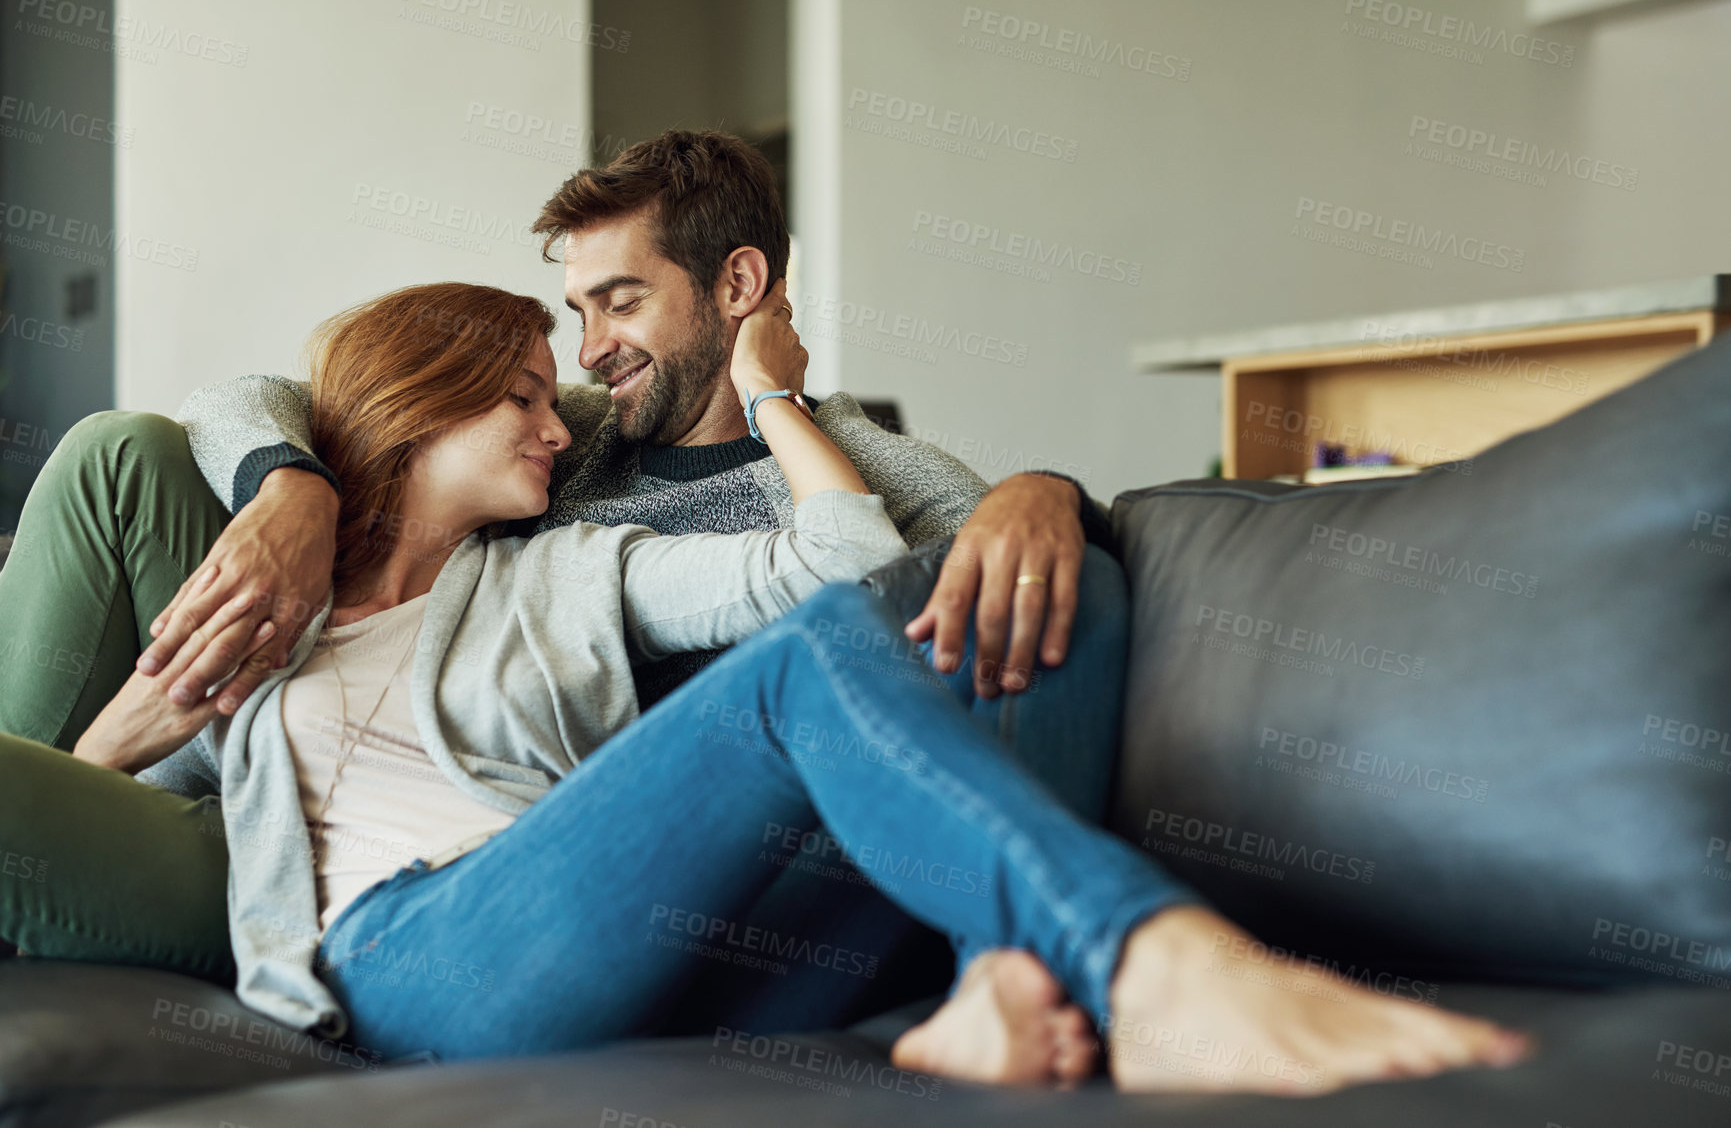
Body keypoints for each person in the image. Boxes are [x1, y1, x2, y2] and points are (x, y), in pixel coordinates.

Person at [56, 277, 1524, 1094]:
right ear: (418, 400)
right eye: (515, 391)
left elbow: (835, 564)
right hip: (403, 960)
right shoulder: (270, 614)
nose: (555, 424)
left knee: (1011, 588)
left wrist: (773, 392)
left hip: (597, 940)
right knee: (802, 678)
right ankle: (1154, 962)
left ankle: (974, 1007)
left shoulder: (575, 567)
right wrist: (164, 688)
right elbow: (131, 786)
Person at [0, 130, 1126, 1038]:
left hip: (646, 859)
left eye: (620, 303)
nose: (585, 358)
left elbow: (894, 556)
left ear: (740, 286)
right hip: (393, 846)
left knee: (872, 646)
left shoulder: (816, 476)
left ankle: (1059, 966)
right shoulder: (577, 441)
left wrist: (1043, 489)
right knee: (122, 452)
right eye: (575, 313)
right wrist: (293, 492)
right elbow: (277, 396)